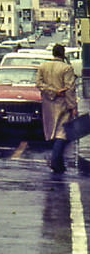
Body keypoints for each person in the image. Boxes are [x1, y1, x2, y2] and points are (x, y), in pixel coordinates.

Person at [37, 43, 78, 173]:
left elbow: (39, 84)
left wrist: (51, 91)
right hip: (63, 103)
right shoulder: (67, 68)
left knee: (52, 131)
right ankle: (55, 161)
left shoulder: (43, 66)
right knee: (62, 133)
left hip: (48, 104)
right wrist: (73, 107)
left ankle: (59, 164)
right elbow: (70, 89)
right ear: (63, 54)